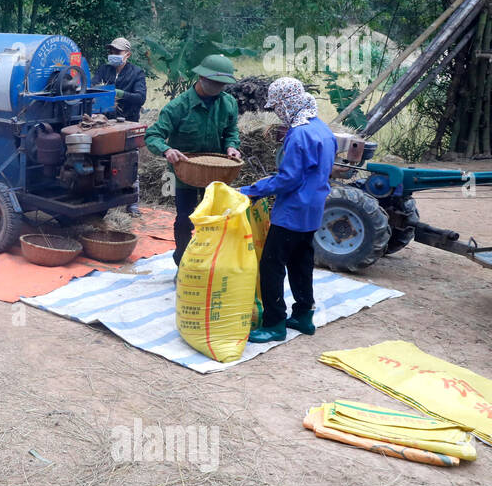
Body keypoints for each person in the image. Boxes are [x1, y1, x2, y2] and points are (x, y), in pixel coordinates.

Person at [240, 77, 338, 343]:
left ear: (287, 103)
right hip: (314, 209)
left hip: (292, 212)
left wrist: (253, 189)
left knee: (271, 265)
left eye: (277, 106)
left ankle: (274, 323)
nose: (277, 112)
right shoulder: (322, 130)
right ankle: (303, 315)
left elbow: (289, 179)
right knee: (301, 262)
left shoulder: (299, 134)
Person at [144, 54, 242, 265]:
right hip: (185, 174)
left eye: (223, 84)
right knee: (184, 219)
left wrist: (232, 146)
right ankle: (183, 263)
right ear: (201, 78)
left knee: (214, 220)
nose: (220, 88)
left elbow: (232, 130)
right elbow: (153, 136)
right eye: (216, 83)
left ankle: (210, 262)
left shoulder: (228, 103)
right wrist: (166, 150)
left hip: (216, 172)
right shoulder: (178, 106)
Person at [97, 36, 148, 213]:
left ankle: (133, 203)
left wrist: (120, 94)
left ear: (127, 54)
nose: (113, 54)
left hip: (127, 123)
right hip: (105, 122)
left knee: (130, 161)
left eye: (117, 52)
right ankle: (103, 202)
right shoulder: (104, 70)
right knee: (103, 161)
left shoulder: (136, 73)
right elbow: (94, 89)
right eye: (111, 51)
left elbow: (140, 98)